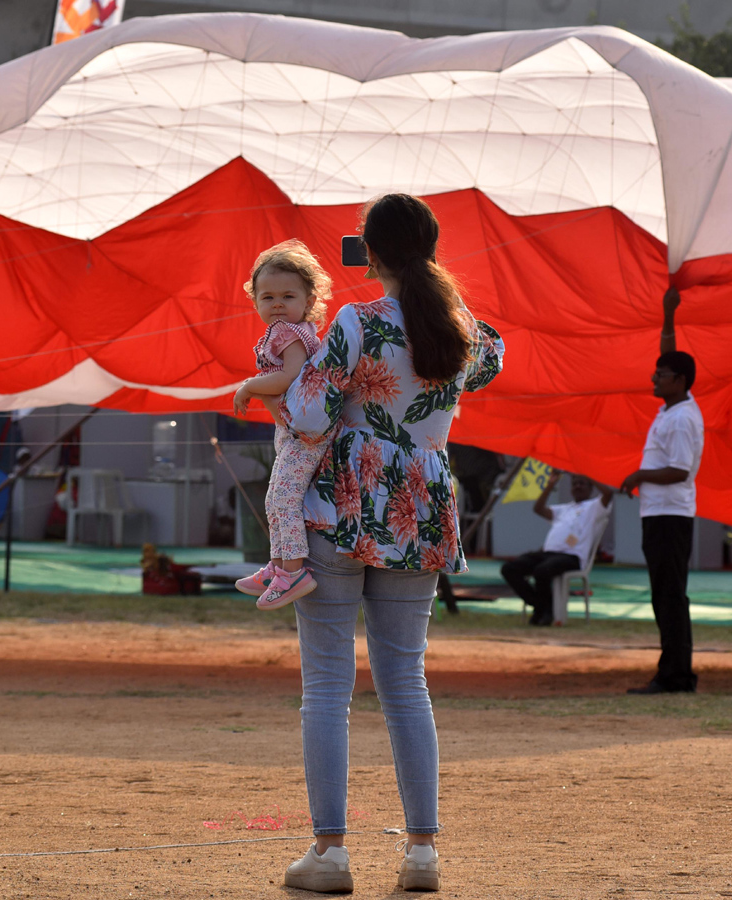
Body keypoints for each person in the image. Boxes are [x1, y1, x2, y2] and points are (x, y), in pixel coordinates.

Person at [276, 193, 504, 893]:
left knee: (327, 687)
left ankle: (331, 852)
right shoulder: (464, 330)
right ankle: (424, 852)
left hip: (343, 502)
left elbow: (309, 411)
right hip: (422, 504)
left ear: (369, 255)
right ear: (431, 249)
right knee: (406, 684)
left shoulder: (356, 321)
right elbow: (492, 356)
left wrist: (272, 386)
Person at [232, 240, 331, 610]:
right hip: (295, 427)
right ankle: (278, 566)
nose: (276, 305)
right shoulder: (288, 331)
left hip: (304, 432)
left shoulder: (291, 334)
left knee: (281, 498)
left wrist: (250, 386)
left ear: (308, 301)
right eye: (267, 297)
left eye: (287, 296)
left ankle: (292, 572)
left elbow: (289, 377)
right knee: (277, 497)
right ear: (255, 301)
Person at [620, 286, 705, 694]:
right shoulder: (671, 409)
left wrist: (638, 477)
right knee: (664, 594)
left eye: (662, 375)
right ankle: (674, 672)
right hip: (660, 514)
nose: (654, 377)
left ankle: (676, 675)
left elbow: (680, 471)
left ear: (680, 381)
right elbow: (667, 351)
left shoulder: (683, 419)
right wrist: (667, 315)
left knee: (670, 596)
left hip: (671, 513)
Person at [500, 472, 613, 626]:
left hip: (572, 557)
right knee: (509, 569)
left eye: (582, 483)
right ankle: (541, 606)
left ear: (590, 488)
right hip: (548, 554)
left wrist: (588, 473)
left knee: (542, 571)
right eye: (574, 484)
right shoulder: (565, 508)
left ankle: (544, 611)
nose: (577, 486)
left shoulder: (594, 507)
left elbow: (608, 493)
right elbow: (538, 509)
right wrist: (550, 484)